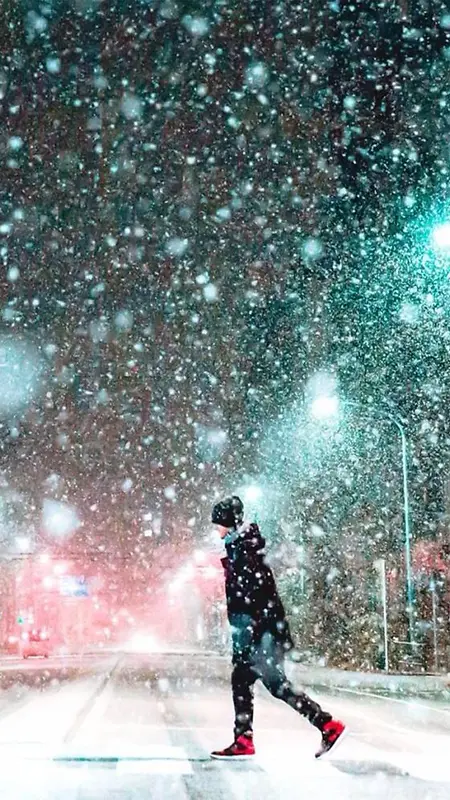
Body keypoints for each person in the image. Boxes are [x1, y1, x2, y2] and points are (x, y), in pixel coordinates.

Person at [210, 495, 346, 760]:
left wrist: (252, 630)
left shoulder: (244, 550)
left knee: (266, 683)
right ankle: (247, 738)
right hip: (260, 631)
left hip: (261, 633)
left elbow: (257, 596)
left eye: (219, 524)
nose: (217, 530)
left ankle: (325, 725)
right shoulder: (242, 547)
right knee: (255, 681)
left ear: (228, 522)